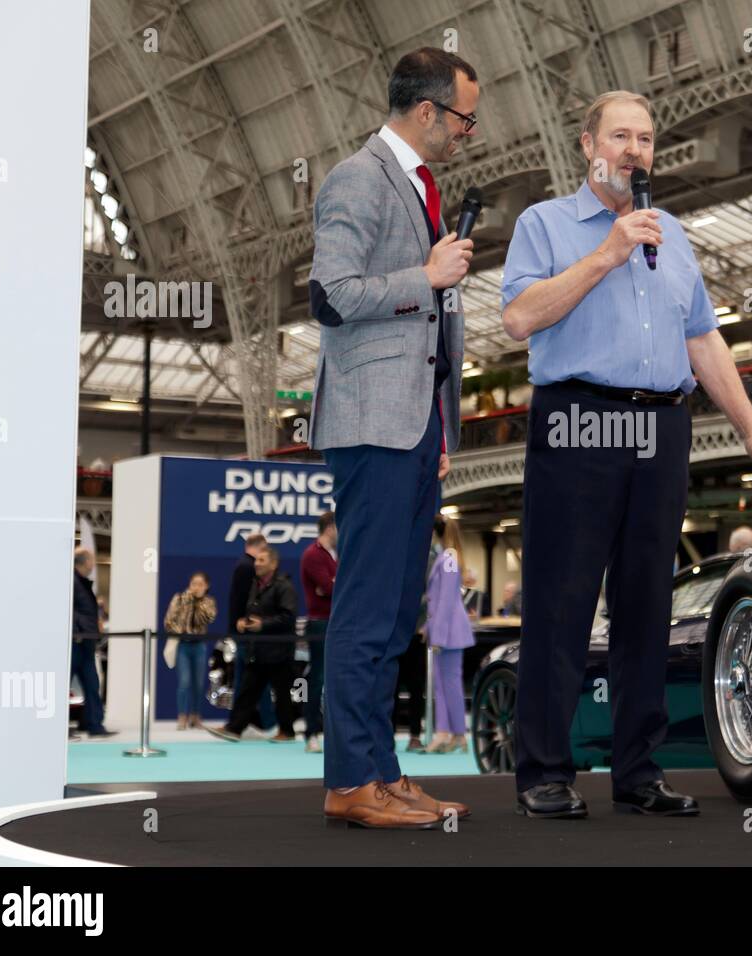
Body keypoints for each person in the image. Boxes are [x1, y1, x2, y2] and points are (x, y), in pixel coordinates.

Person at [500, 90, 752, 819]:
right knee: (562, 602)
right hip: (579, 421)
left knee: (646, 605)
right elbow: (518, 318)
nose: (635, 150)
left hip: (661, 427)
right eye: (621, 136)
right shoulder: (547, 225)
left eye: (647, 139)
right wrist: (608, 252)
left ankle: (638, 770)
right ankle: (543, 770)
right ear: (587, 144)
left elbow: (702, 339)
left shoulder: (675, 236)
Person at [307, 47, 478, 829]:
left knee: (394, 610)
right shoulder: (357, 177)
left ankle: (381, 769)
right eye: (463, 118)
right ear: (427, 112)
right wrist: (428, 277)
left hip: (414, 426)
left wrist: (445, 420)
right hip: (372, 424)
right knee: (366, 609)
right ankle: (349, 781)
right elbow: (332, 296)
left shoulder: (417, 188)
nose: (467, 133)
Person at [208, 545, 299, 742]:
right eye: (256, 560)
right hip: (258, 650)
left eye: (261, 560)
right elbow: (255, 612)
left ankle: (287, 732)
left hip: (279, 651)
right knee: (247, 691)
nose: (256, 564)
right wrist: (244, 621)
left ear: (273, 564)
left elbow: (288, 617)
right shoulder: (255, 585)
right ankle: (234, 729)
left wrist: (263, 625)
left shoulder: (284, 586)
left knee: (282, 693)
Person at [422, 517, 475, 753]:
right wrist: (430, 628)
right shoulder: (447, 557)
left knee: (449, 683)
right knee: (443, 684)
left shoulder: (449, 558)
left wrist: (438, 635)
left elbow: (445, 600)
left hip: (450, 631)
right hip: (446, 629)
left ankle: (451, 733)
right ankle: (452, 733)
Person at [228, 533, 275, 732]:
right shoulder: (248, 567)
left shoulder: (243, 565)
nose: (261, 560)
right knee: (253, 679)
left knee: (249, 679)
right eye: (262, 551)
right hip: (247, 633)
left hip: (243, 631)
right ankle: (264, 722)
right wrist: (246, 623)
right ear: (257, 547)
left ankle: (239, 723)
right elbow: (246, 601)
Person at [299, 511, 337, 753]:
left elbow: (336, 586)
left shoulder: (333, 555)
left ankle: (326, 731)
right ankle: (310, 732)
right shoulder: (313, 555)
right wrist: (333, 585)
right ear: (330, 527)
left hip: (334, 622)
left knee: (332, 680)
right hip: (320, 623)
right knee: (318, 679)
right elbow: (328, 588)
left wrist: (334, 584)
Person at [164, 571, 217, 730]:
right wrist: (180, 630)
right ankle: (182, 716)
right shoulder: (179, 599)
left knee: (199, 683)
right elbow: (168, 621)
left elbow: (208, 618)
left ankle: (195, 716)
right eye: (194, 583)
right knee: (184, 681)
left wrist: (197, 602)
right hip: (183, 645)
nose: (196, 587)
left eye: (200, 584)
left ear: (206, 586)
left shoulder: (209, 602)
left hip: (199, 645)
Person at [71, 548, 113, 738]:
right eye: (92, 560)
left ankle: (93, 724)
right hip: (76, 641)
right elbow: (69, 608)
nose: (93, 564)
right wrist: (77, 630)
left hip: (86, 641)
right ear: (85, 562)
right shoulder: (71, 581)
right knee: (67, 684)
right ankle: (61, 727)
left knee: (91, 683)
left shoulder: (82, 583)